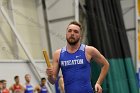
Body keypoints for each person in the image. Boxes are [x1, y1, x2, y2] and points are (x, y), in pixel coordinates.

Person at [46, 21, 109, 93]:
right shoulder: (58, 54)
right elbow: (53, 81)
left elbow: (105, 64)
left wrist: (98, 83)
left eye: (76, 31)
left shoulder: (89, 50)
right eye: (69, 31)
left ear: (80, 36)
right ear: (66, 34)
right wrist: (50, 76)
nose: (72, 33)